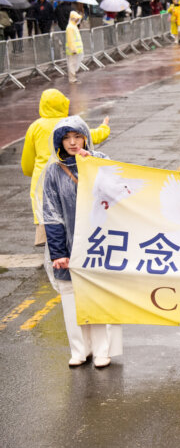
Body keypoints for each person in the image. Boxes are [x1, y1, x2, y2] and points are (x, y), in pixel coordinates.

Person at [41, 117, 122, 367]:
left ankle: (102, 350)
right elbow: (51, 213)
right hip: (68, 245)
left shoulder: (101, 161)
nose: (73, 142)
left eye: (77, 136)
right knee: (70, 297)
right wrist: (58, 252)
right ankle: (79, 349)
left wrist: (92, 164)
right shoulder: (54, 171)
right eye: (66, 138)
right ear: (59, 142)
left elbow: (118, 192)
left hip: (99, 243)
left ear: (86, 137)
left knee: (98, 296)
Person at [21, 89, 110, 246]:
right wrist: (105, 127)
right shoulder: (70, 124)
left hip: (42, 178)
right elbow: (93, 135)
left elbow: (27, 160)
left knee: (48, 215)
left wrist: (30, 172)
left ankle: (53, 250)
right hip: (70, 173)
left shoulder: (35, 127)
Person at [64, 11, 84, 84]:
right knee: (72, 64)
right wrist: (73, 49)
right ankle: (72, 79)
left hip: (75, 50)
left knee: (73, 64)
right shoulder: (70, 27)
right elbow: (70, 40)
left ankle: (73, 77)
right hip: (72, 50)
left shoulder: (73, 26)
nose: (78, 20)